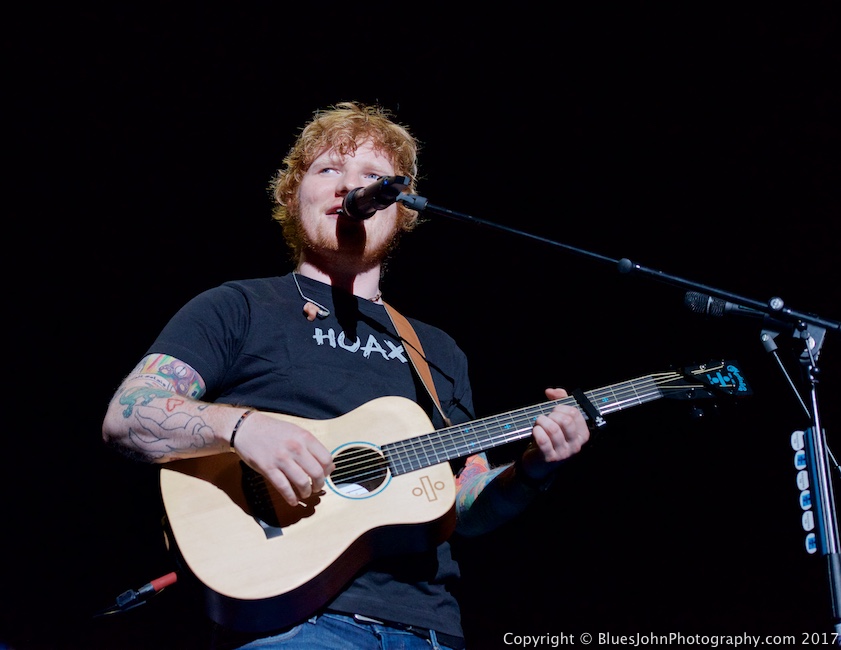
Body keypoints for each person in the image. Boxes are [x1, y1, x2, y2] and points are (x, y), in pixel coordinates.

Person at [101, 101, 590, 650]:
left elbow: (461, 502)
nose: (348, 187)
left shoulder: (438, 351)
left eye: (373, 177)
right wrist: (243, 428)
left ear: (400, 209)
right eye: (328, 169)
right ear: (293, 195)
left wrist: (531, 469)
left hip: (431, 629)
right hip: (291, 626)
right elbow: (127, 414)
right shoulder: (238, 306)